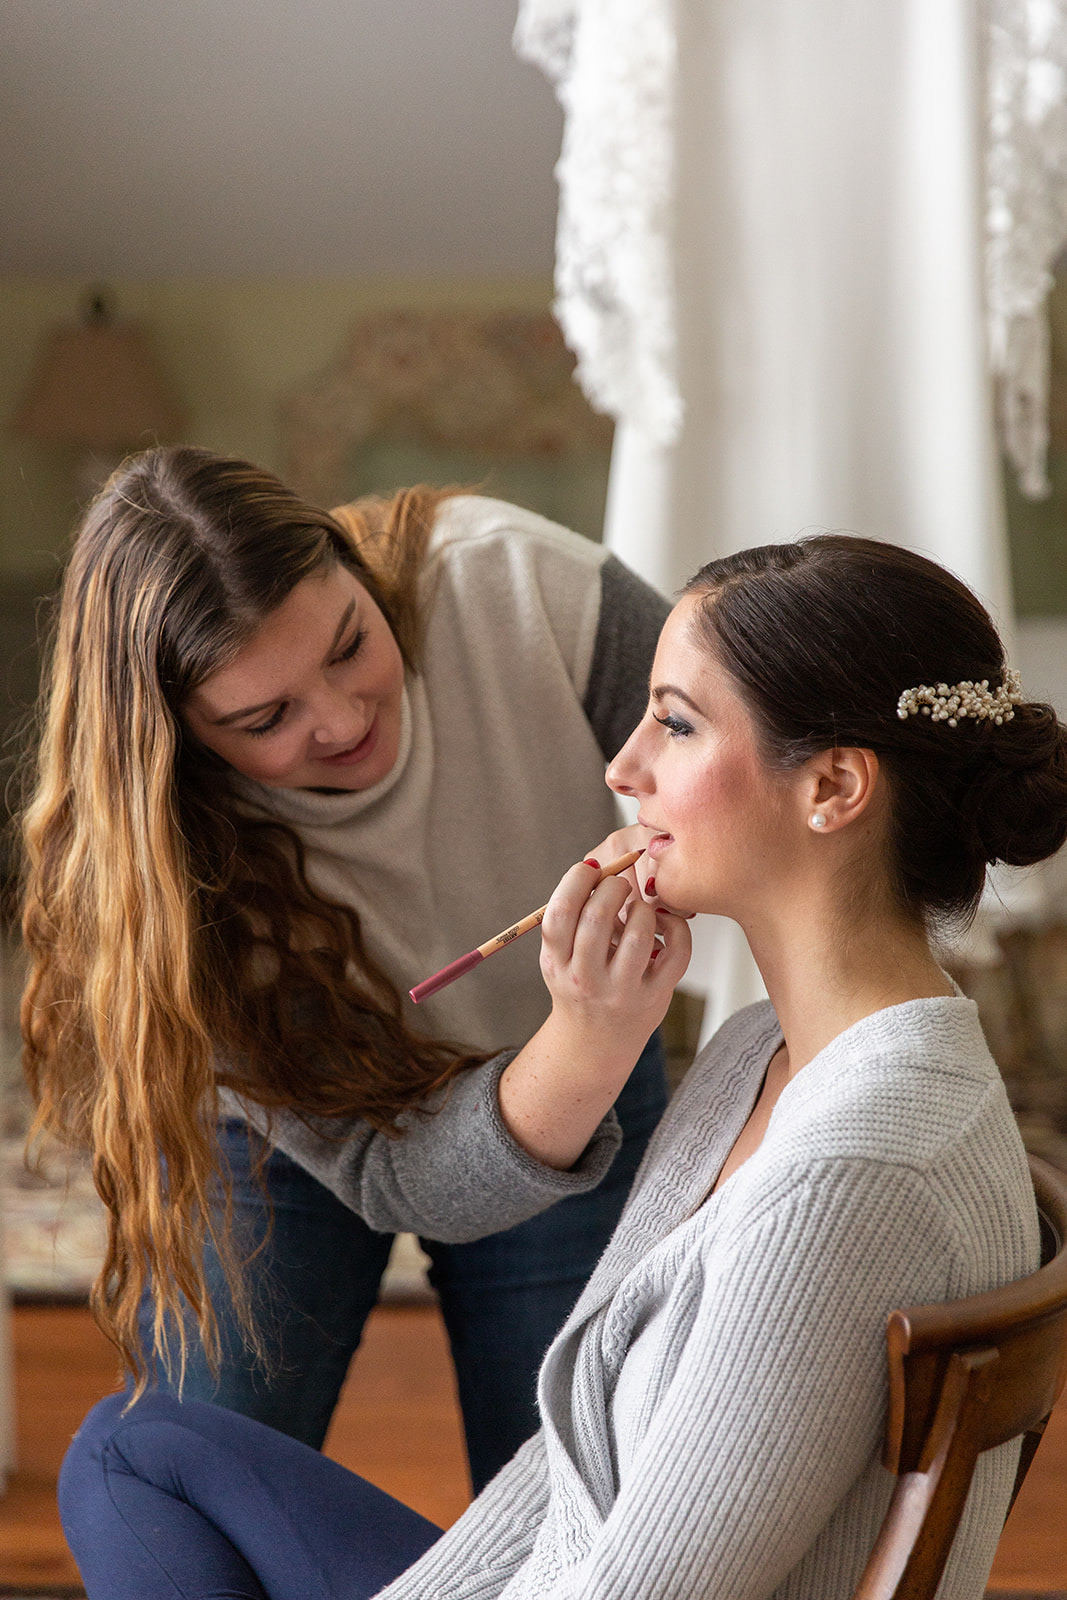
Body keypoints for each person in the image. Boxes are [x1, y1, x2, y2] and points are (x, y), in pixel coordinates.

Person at [59, 531, 1067, 1600]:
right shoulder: (753, 1054)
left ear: (831, 785)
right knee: (135, 1447)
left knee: (127, 1465)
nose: (622, 768)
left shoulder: (846, 1178)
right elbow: (564, 1460)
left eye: (675, 723)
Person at [19, 445, 673, 1492]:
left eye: (350, 645)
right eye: (264, 719)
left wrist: (596, 1032)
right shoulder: (165, 875)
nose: (340, 718)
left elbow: (739, 753)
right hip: (286, 1127)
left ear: (359, 574)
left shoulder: (514, 582)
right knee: (194, 1471)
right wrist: (590, 1032)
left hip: (578, 1070)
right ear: (176, 743)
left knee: (569, 1486)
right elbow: (402, 1178)